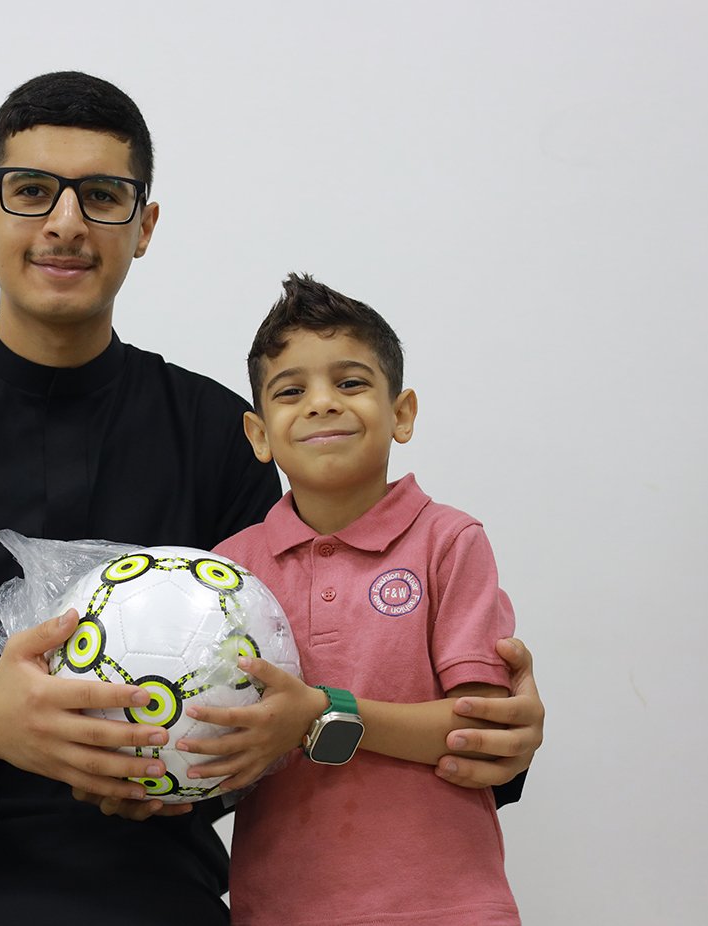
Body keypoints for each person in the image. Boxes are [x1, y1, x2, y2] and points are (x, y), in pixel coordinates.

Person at [0, 73, 542, 925]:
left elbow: (289, 683)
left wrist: (487, 730)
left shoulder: (219, 438)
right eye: (30, 190)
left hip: (128, 854)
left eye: (102, 196)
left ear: (143, 226)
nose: (64, 223)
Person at [175, 273, 523, 924]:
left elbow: (478, 735)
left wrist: (319, 714)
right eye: (290, 391)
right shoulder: (228, 570)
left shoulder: (450, 542)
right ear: (258, 434)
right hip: (278, 910)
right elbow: (213, 736)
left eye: (351, 382)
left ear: (402, 413)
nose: (321, 404)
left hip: (445, 910)